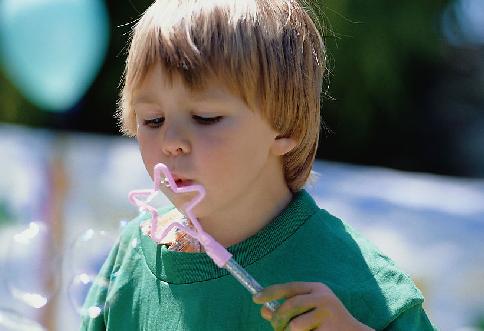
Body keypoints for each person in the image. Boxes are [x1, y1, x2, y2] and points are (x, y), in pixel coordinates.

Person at [81, 0, 436, 330]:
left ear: (285, 126)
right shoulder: (129, 259)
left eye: (206, 117)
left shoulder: (358, 282)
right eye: (152, 119)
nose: (171, 141)